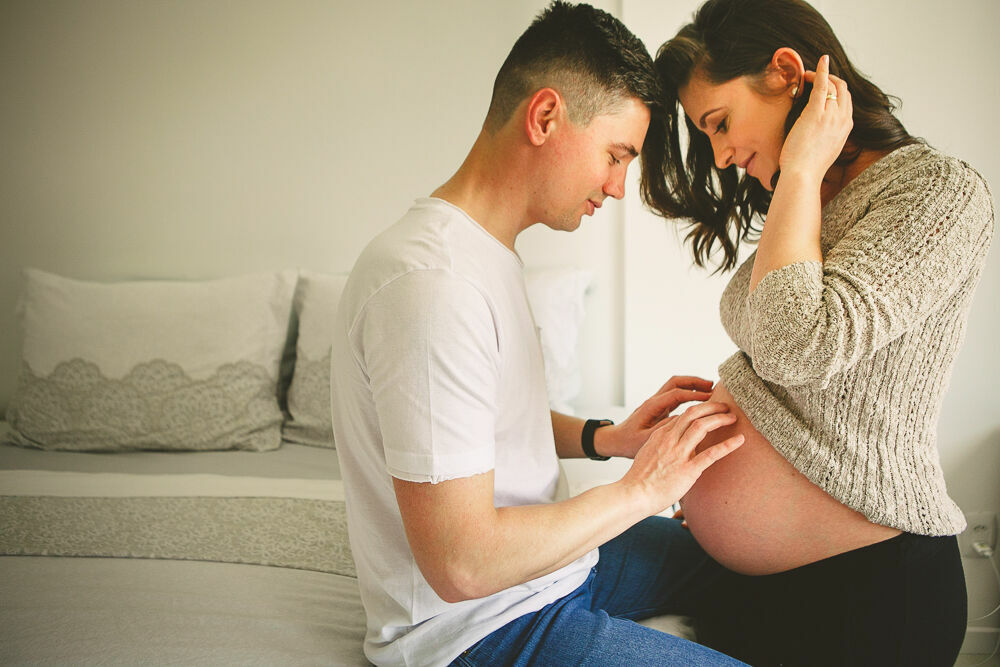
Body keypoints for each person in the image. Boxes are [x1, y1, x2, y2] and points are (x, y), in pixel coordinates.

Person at [330, 2, 748, 665]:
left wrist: (604, 438)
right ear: (546, 116)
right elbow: (462, 563)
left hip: (553, 570)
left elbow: (482, 421)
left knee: (743, 561)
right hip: (482, 627)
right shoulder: (431, 284)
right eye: (617, 156)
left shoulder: (481, 253)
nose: (617, 187)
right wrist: (643, 487)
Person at [638, 0, 995, 664]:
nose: (718, 156)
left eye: (719, 123)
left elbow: (800, 345)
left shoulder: (939, 192)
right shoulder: (809, 208)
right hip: (774, 588)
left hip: (873, 595)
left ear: (784, 72)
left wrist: (800, 167)